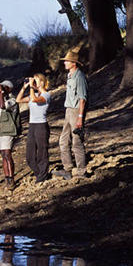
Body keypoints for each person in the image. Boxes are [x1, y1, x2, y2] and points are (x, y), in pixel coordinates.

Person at [55, 50, 89, 179]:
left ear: (74, 63)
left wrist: (80, 117)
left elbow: (82, 99)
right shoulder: (70, 75)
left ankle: (81, 171)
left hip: (76, 111)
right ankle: (67, 169)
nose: (64, 63)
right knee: (63, 140)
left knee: (76, 142)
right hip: (69, 110)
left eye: (67, 61)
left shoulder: (79, 77)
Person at [17, 73, 52, 183]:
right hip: (32, 125)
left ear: (41, 83)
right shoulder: (34, 94)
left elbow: (35, 99)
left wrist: (32, 87)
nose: (34, 83)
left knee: (42, 152)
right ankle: (39, 173)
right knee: (29, 155)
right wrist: (25, 87)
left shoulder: (46, 95)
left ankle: (42, 176)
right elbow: (18, 100)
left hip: (41, 125)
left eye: (36, 81)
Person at [0, 79, 19, 190]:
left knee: (7, 154)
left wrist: (1, 93)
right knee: (3, 156)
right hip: (1, 130)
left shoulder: (12, 100)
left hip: (8, 130)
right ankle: (7, 178)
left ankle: (11, 179)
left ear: (9, 89)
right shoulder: (4, 98)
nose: (2, 89)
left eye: (4, 87)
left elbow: (2, 106)